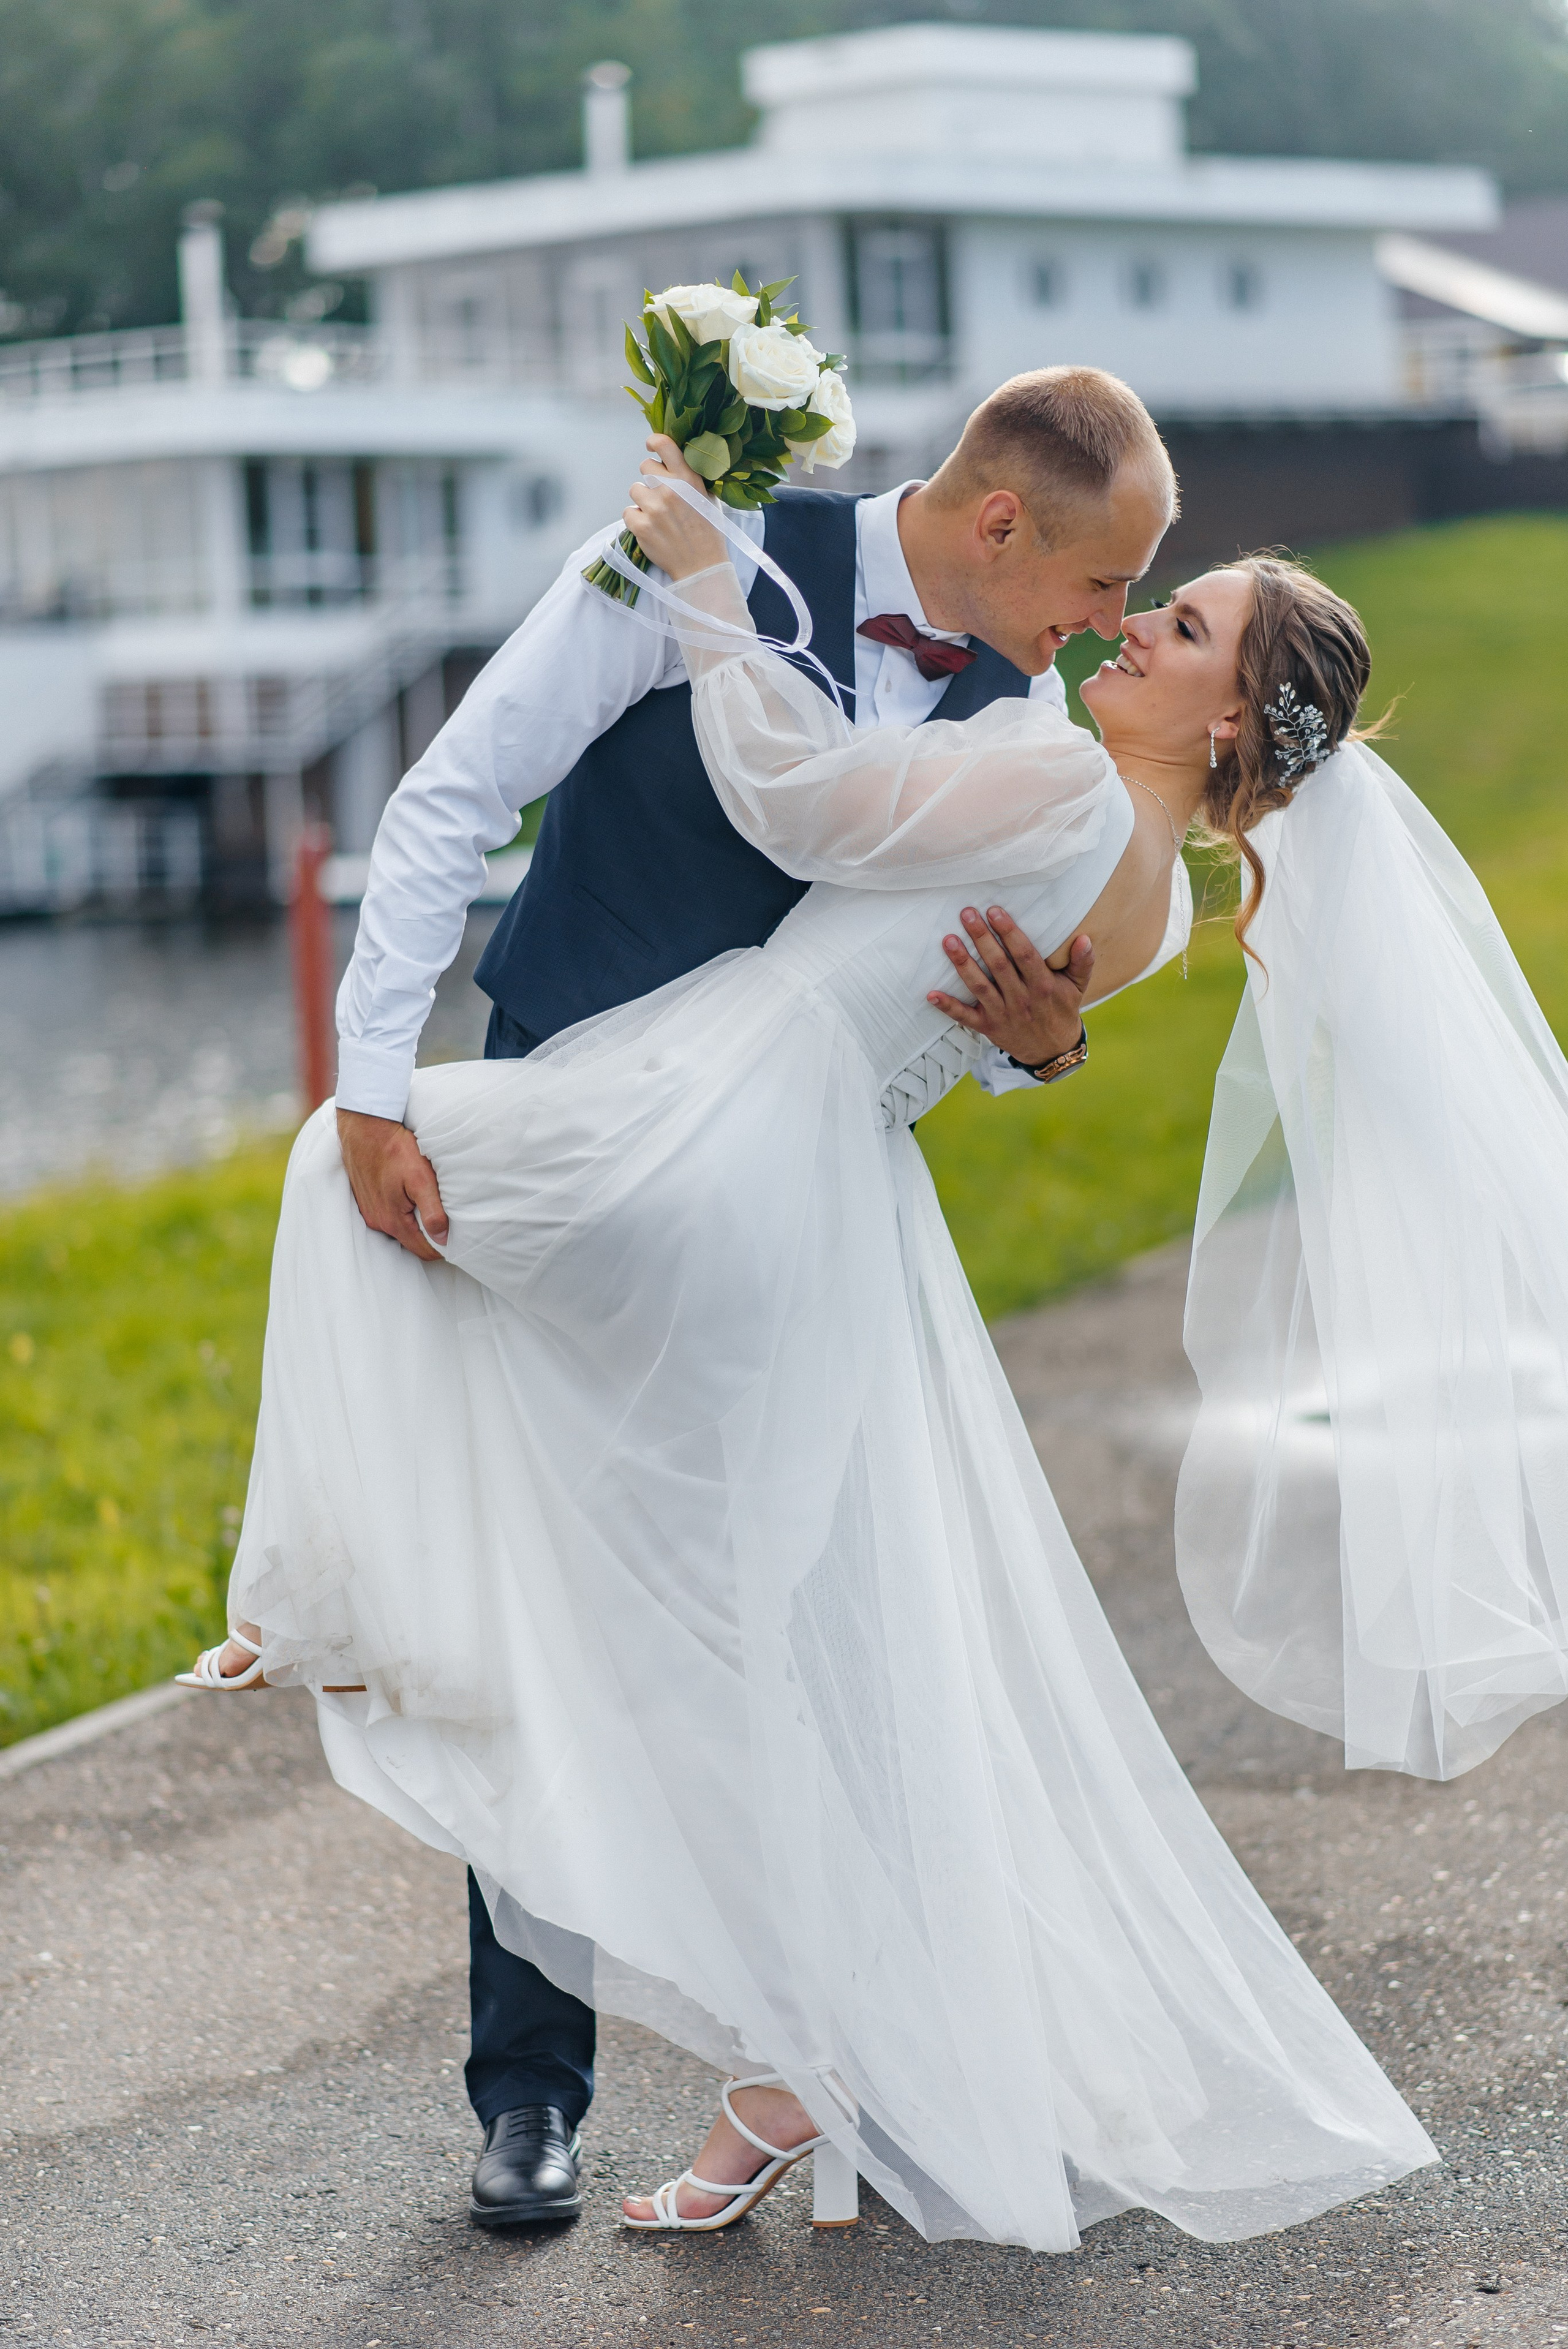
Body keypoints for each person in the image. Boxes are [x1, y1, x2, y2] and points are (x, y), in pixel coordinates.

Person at [181, 432, 1444, 2253]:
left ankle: (325, 1613)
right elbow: (988, 981)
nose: (1118, 625)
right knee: (775, 1629)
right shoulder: (1136, 858)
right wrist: (1043, 1037)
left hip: (727, 1130)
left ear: (1232, 723)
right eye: (1130, 593)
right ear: (1007, 517)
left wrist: (711, 590)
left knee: (369, 1200)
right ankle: (734, 2059)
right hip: (765, 1148)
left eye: (1167, 623)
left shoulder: (1040, 751)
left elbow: (810, 809)